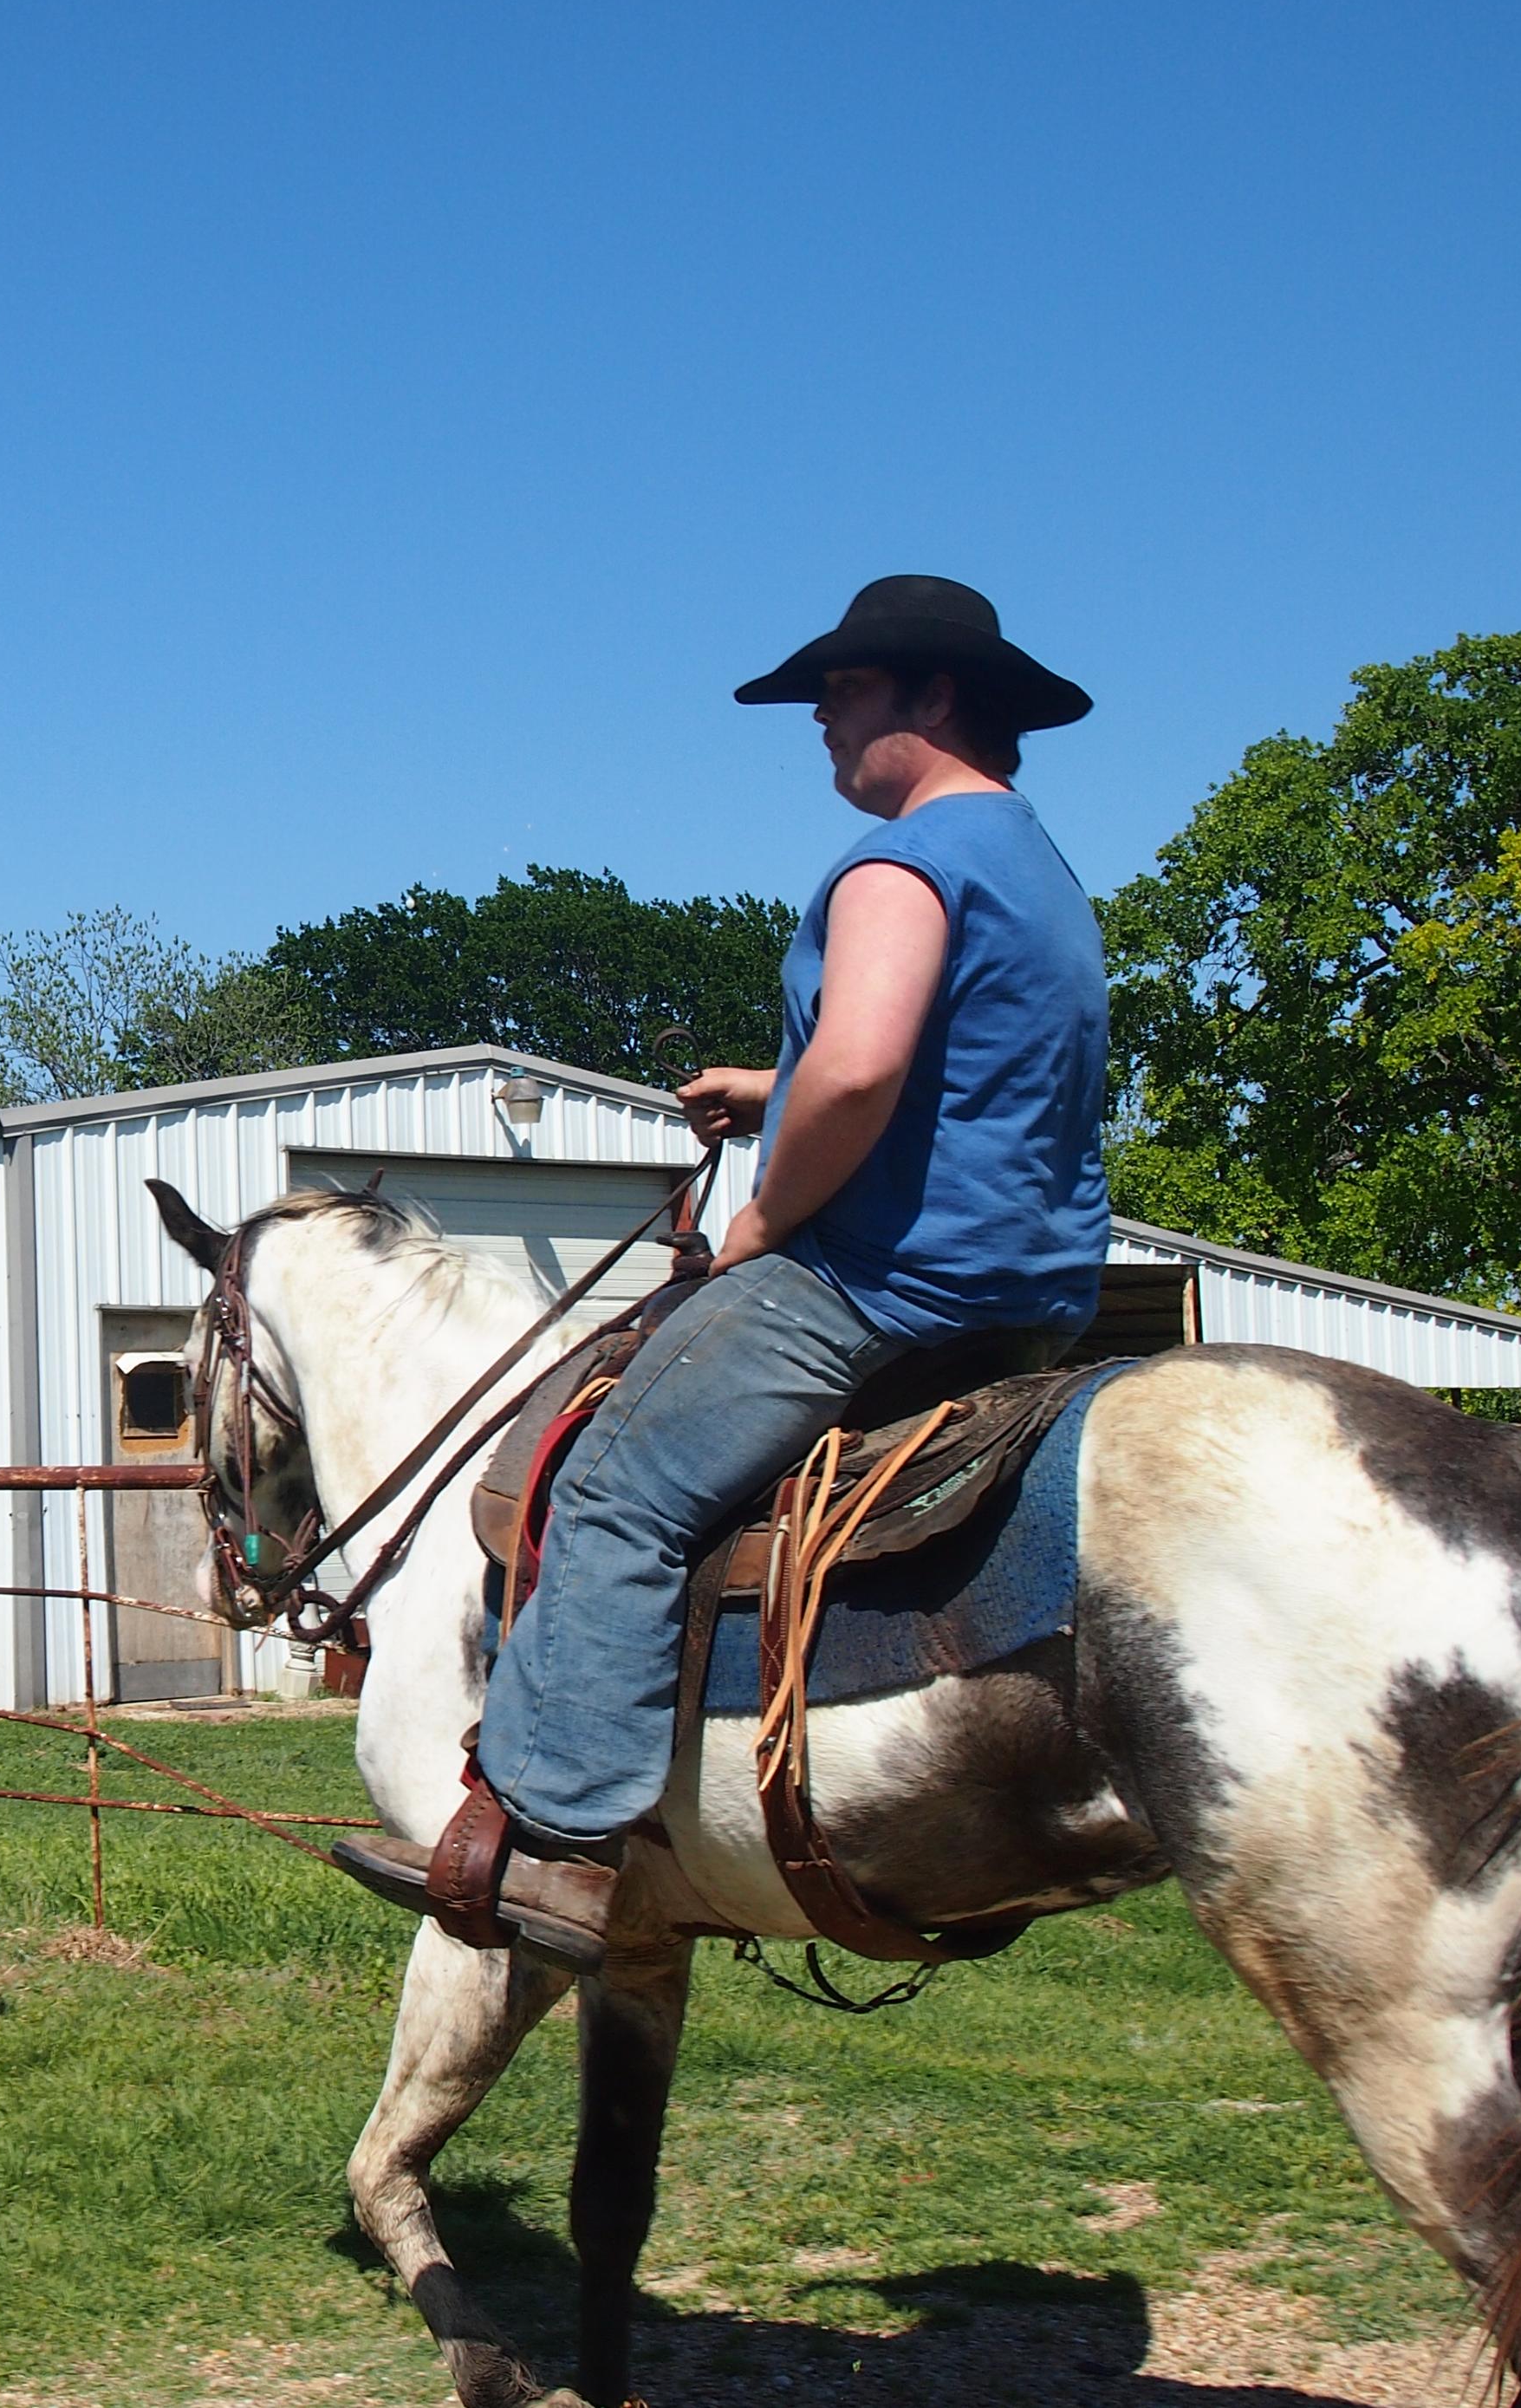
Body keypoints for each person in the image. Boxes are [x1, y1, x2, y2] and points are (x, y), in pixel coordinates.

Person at [335, 576, 1110, 1969]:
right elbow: (959, 1071)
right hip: (1032, 1289)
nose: (818, 720)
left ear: (929, 699)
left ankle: (559, 1846)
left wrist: (764, 1216)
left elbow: (867, 1064)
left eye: (841, 694)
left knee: (607, 1477)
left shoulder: (898, 867)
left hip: (885, 1280)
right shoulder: (1033, 867)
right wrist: (773, 1089)